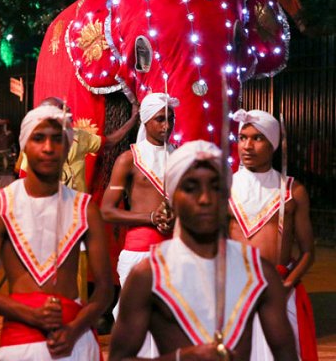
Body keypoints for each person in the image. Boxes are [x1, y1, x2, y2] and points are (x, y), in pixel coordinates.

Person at [108, 140, 298, 361]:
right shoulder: (147, 275)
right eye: (191, 188)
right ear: (172, 198)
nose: (205, 198)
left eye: (216, 187)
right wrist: (181, 357)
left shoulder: (259, 272)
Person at [0, 105, 113, 360]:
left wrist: (74, 329)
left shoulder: (86, 208)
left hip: (75, 341)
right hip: (20, 342)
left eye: (58, 139)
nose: (48, 147)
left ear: (68, 146)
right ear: (24, 146)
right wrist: (31, 315)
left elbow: (104, 289)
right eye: (38, 138)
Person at [229, 109, 318, 361]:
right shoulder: (224, 187)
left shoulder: (292, 190)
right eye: (243, 137)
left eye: (257, 138)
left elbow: (308, 252)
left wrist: (287, 285)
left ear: (273, 145)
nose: (247, 146)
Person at [100, 93, 178, 356]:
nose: (166, 125)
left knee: (171, 327)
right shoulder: (128, 159)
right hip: (139, 251)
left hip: (174, 253)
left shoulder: (179, 157)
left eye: (171, 119)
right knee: (137, 328)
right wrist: (151, 218)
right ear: (145, 121)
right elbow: (107, 210)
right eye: (160, 120)